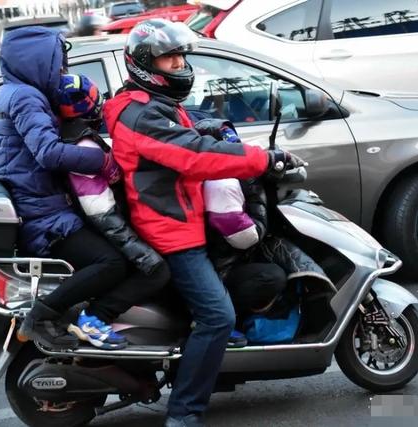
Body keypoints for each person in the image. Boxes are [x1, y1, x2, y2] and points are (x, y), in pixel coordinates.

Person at [103, 19, 294, 426]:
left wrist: (220, 131)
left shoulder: (153, 105)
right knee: (217, 317)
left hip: (184, 218)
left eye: (180, 56)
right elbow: (191, 154)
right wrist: (261, 159)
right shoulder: (140, 115)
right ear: (143, 64)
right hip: (171, 231)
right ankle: (184, 413)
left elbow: (189, 133)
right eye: (168, 58)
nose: (178, 64)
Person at [0, 26, 143, 351]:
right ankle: (45, 316)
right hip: (44, 217)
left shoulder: (17, 92)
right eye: (58, 64)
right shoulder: (26, 97)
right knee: (113, 262)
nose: (63, 72)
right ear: (38, 62)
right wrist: (104, 161)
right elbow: (48, 152)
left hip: (43, 204)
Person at [58, 72, 170, 340]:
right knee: (157, 270)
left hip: (104, 220)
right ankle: (97, 316)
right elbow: (100, 210)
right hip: (102, 227)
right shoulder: (85, 147)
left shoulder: (76, 139)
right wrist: (136, 248)